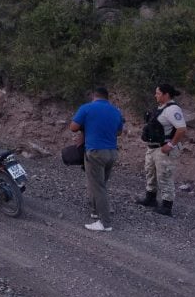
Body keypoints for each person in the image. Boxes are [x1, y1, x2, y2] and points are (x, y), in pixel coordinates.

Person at [70, 87, 123, 232]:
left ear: (94, 96)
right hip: (112, 152)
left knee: (98, 187)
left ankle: (105, 223)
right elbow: (119, 131)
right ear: (107, 97)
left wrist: (87, 126)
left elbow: (73, 127)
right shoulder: (116, 111)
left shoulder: (87, 108)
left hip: (95, 152)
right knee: (100, 183)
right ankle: (95, 210)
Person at [136, 83, 187, 216]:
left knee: (164, 176)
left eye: (158, 93)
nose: (156, 95)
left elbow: (181, 129)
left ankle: (166, 205)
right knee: (150, 173)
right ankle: (150, 198)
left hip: (164, 149)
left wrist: (170, 145)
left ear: (166, 94)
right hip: (153, 148)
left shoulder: (173, 109)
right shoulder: (161, 108)